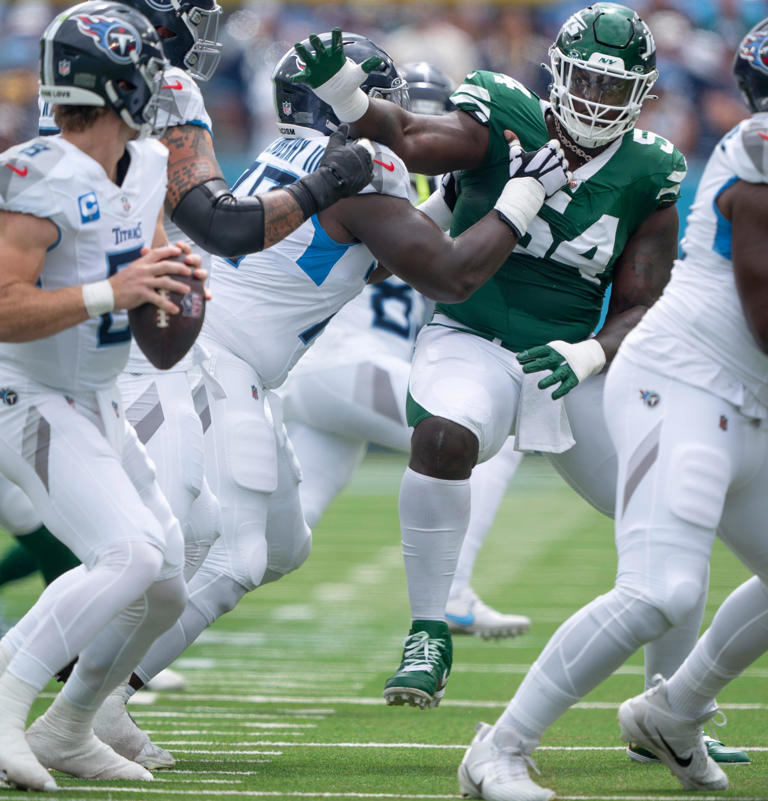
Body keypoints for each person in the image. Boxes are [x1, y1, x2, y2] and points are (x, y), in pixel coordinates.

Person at [89, 30, 572, 764]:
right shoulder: (362, 168)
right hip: (216, 365)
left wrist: (441, 203)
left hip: (241, 366)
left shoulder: (294, 154)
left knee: (284, 543)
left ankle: (99, 693)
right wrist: (520, 198)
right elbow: (449, 277)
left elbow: (353, 264)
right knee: (235, 550)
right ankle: (95, 699)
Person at [291, 2, 686, 712]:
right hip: (472, 337)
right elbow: (409, 135)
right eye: (585, 81)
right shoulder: (504, 115)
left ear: (640, 93)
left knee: (674, 509)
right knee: (444, 436)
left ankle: (676, 703)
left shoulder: (648, 172)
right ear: (557, 74)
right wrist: (350, 96)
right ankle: (428, 629)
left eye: (612, 87)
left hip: (566, 362)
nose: (595, 99)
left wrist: (593, 353)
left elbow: (642, 301)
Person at [0, 1, 200, 790]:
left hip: (98, 394)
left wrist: (174, 286)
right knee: (129, 553)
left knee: (166, 582)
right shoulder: (36, 175)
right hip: (26, 392)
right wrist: (110, 292)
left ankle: (69, 724)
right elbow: (4, 305)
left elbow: (150, 276)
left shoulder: (144, 163)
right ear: (120, 78)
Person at [280, 61, 530, 640]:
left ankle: (123, 636)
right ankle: (455, 594)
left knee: (274, 543)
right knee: (491, 435)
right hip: (352, 360)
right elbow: (450, 266)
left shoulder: (354, 162)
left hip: (322, 370)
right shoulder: (387, 171)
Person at [604, 16, 768, 793]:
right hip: (691, 381)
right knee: (658, 585)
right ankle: (503, 742)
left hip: (736, 392)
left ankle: (676, 707)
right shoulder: (757, 148)